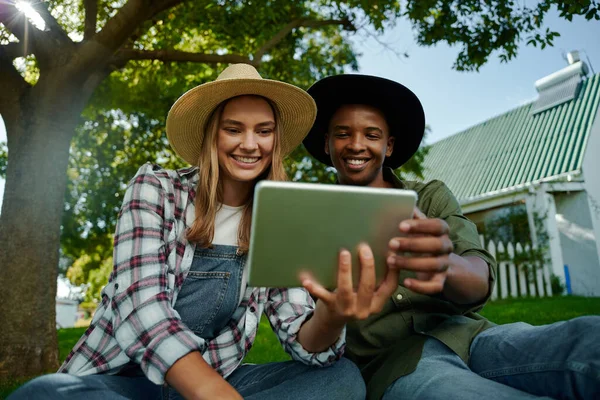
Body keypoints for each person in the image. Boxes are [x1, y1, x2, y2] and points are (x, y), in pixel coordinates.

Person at [10, 64, 400, 400]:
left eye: (263, 131)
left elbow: (302, 337)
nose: (250, 144)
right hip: (127, 384)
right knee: (42, 394)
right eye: (234, 129)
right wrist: (215, 395)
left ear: (275, 140)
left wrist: (331, 314)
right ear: (212, 134)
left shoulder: (281, 217)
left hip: (220, 380)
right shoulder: (155, 190)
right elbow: (143, 308)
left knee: (341, 380)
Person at [302, 73, 600, 400]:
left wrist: (445, 264)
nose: (357, 144)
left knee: (589, 339)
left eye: (371, 135)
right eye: (343, 134)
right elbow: (304, 334)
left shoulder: (429, 197)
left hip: (473, 337)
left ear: (388, 146)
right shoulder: (309, 219)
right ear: (327, 144)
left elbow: (479, 278)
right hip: (394, 366)